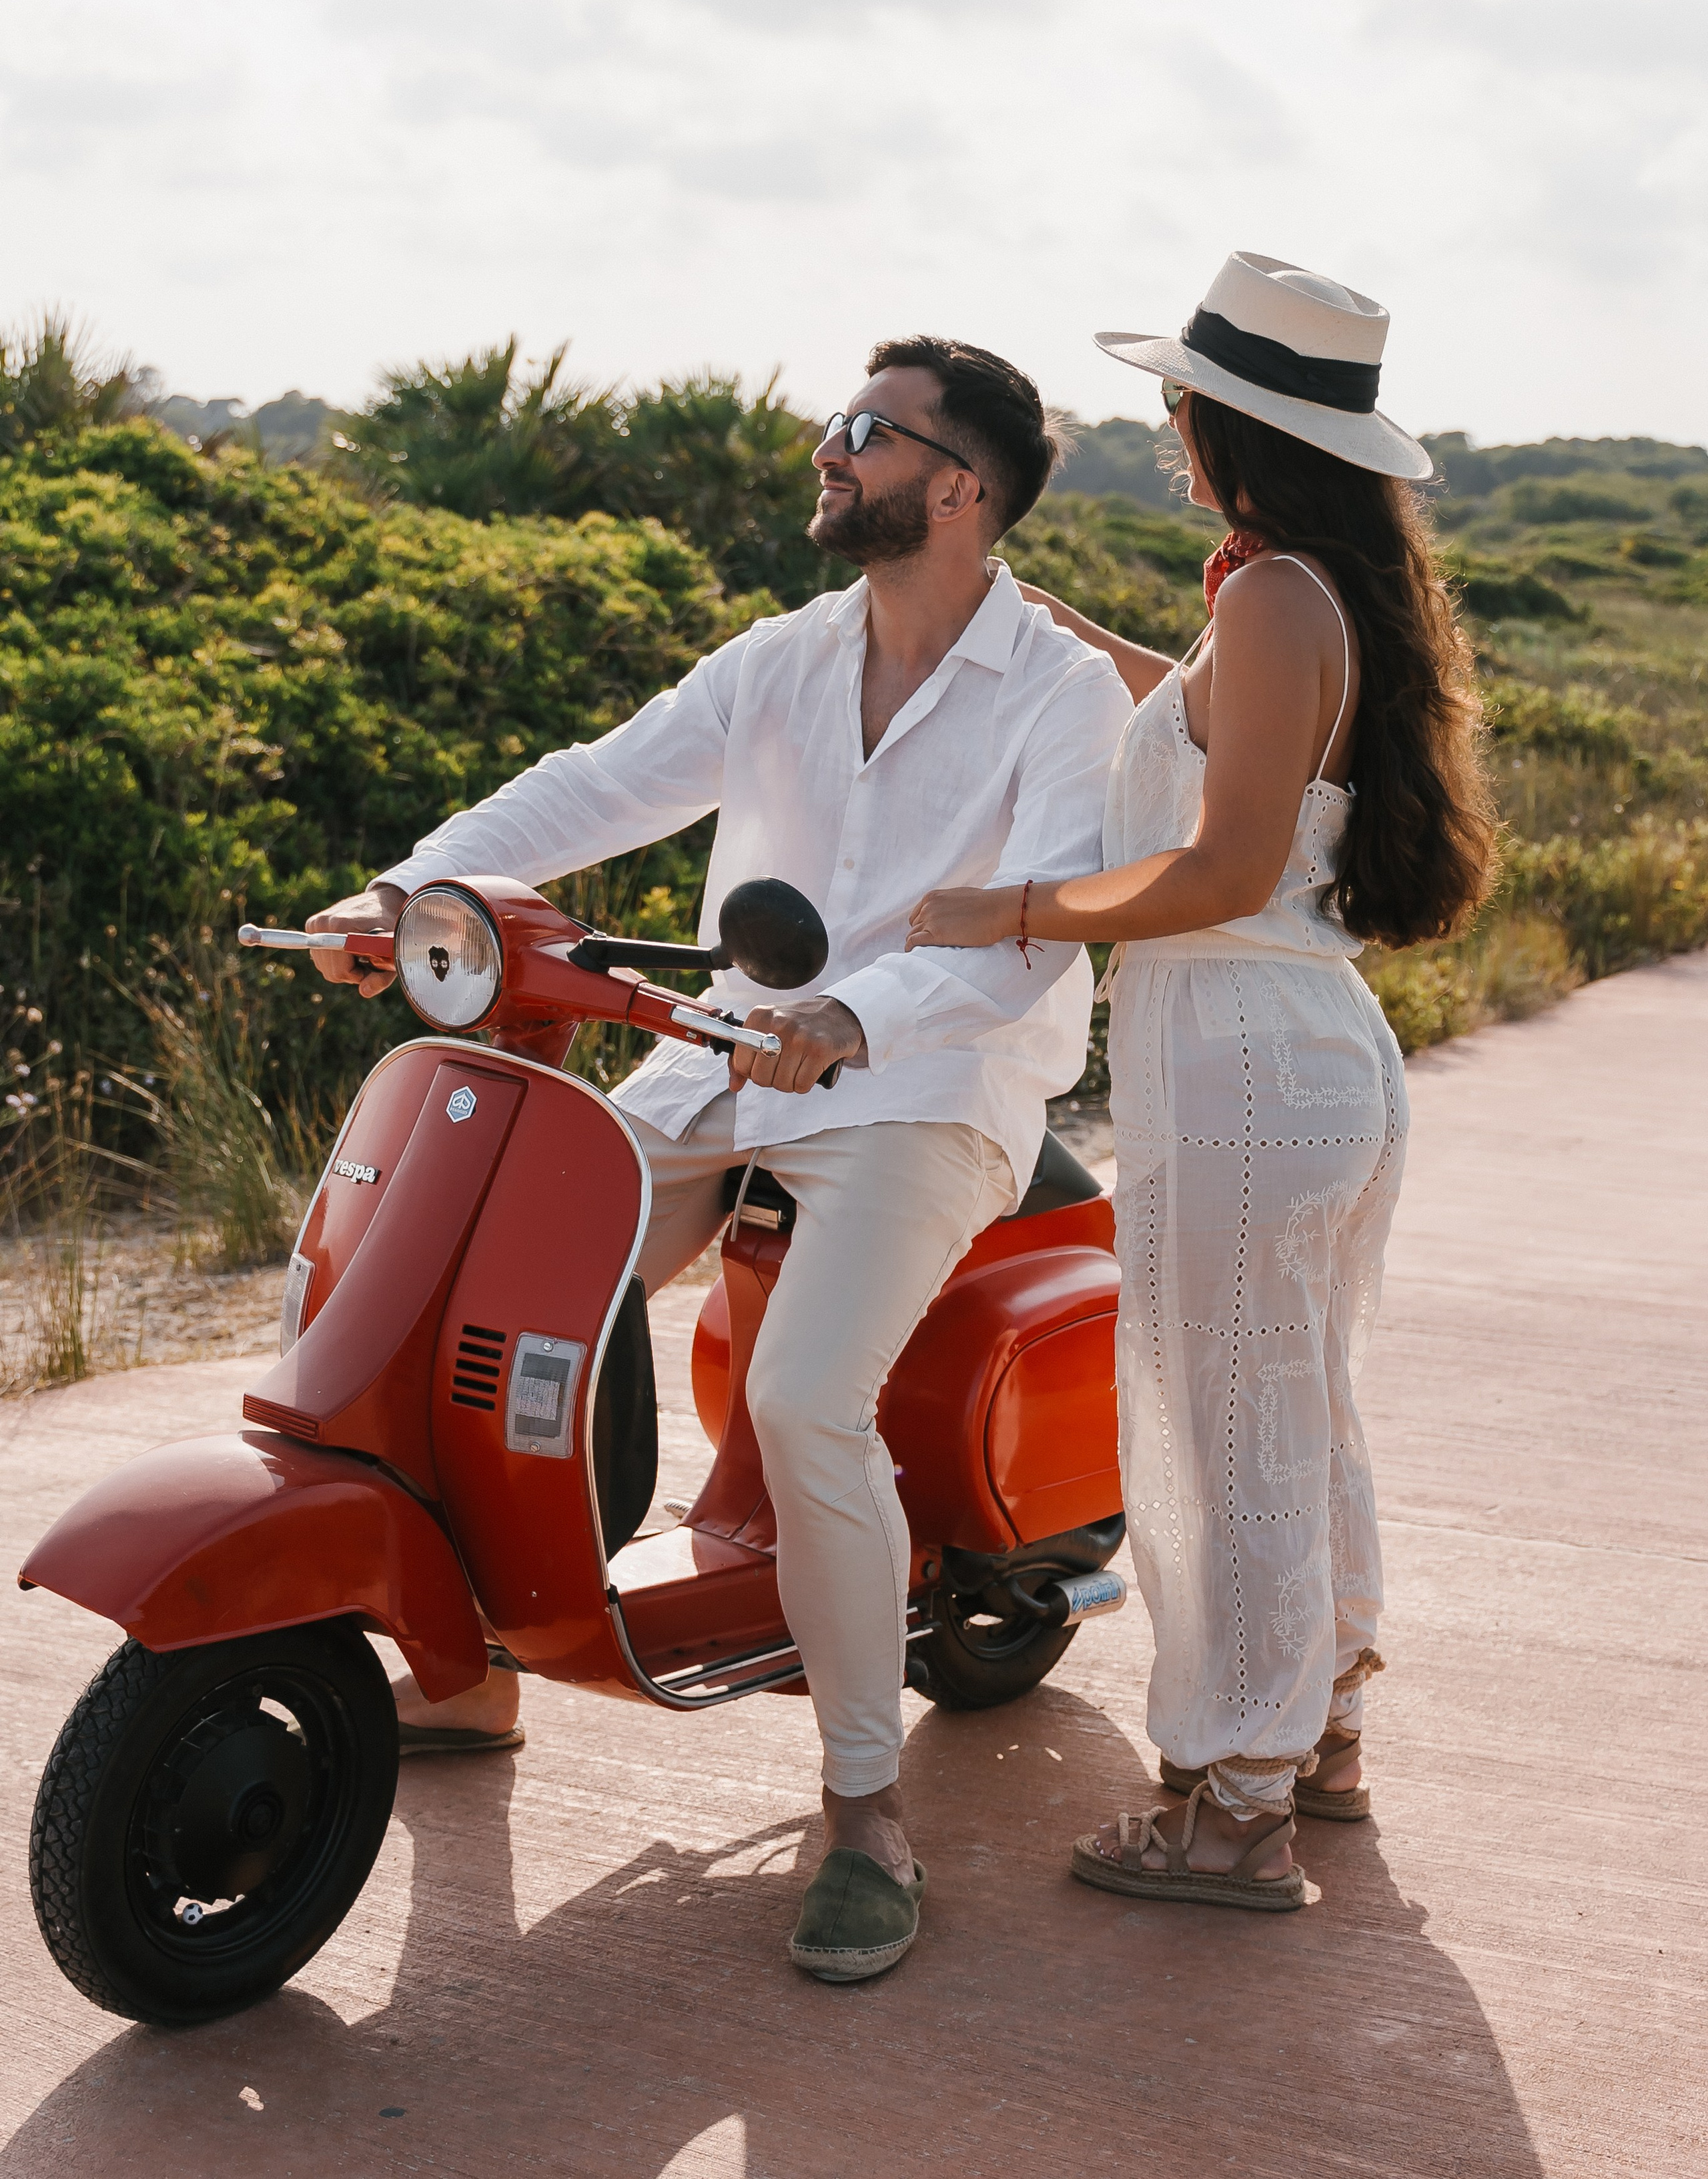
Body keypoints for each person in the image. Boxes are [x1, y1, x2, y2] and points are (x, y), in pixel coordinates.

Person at [307, 336, 1132, 1978]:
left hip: (926, 1091)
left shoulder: (1060, 693)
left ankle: (863, 1815)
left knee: (802, 1398)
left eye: (864, 434)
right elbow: (598, 787)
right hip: (722, 1069)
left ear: (956, 487)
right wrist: (414, 887)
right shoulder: (777, 659)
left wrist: (852, 1011)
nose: (826, 453)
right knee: (466, 1282)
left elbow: (1028, 939)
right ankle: (470, 1665)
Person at [908, 254, 1496, 1911]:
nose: (1166, 429)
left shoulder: (1266, 598)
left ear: (1226, 422)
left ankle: (1230, 1805)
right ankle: (1313, 1742)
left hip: (1238, 1063)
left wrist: (1012, 911)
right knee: (1295, 1409)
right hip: (1301, 1060)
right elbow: (1202, 740)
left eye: (1179, 403)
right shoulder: (1303, 592)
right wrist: (1053, 630)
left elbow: (1223, 864)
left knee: (1221, 1422)